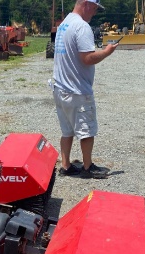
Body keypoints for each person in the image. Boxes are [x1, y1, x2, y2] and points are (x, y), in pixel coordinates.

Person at [53, 0, 119, 178]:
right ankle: (88, 167)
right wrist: (107, 51)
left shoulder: (65, 23)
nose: (94, 13)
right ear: (87, 5)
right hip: (77, 90)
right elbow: (87, 58)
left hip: (60, 87)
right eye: (95, 9)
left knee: (67, 131)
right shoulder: (82, 27)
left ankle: (65, 165)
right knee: (86, 130)